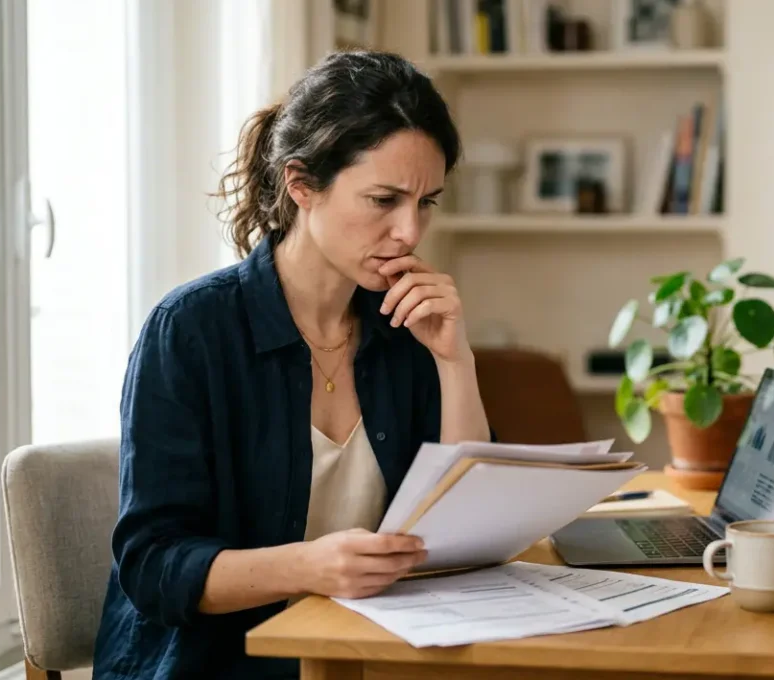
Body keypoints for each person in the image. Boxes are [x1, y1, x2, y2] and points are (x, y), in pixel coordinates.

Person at [91, 50, 492, 679]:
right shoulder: (191, 331)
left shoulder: (405, 328)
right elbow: (152, 565)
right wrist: (307, 566)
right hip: (212, 665)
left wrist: (455, 361)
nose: (410, 232)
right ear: (301, 184)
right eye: (383, 200)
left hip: (364, 656)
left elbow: (465, 535)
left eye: (427, 202)